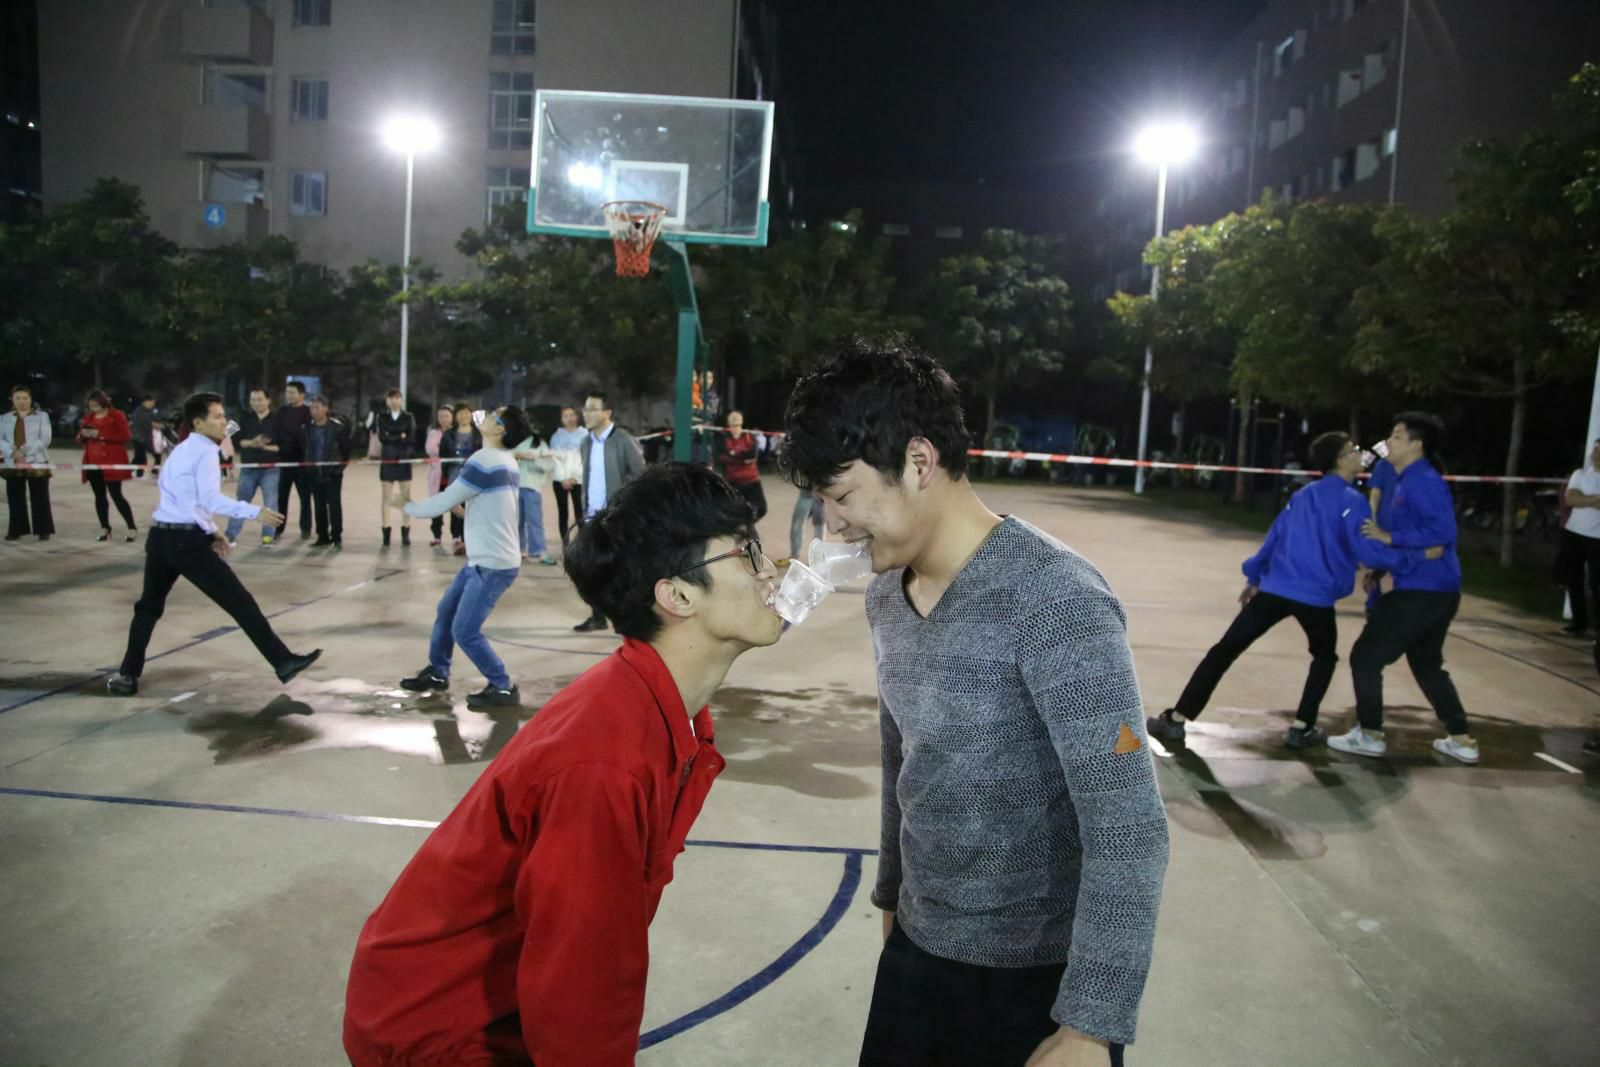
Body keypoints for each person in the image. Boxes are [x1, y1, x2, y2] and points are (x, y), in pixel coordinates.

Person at [779, 338, 1166, 1067]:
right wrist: (892, 898)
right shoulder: (887, 596)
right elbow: (903, 761)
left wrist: (1089, 1026)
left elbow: (1129, 825)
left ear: (919, 462)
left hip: (1037, 987)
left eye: (843, 496)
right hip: (917, 958)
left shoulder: (1057, 599)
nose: (834, 526)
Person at [344, 463, 780, 1065]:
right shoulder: (605, 761)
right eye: (746, 553)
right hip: (439, 1030)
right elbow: (583, 983)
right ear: (677, 595)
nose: (770, 570)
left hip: (485, 1012)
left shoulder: (657, 710)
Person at [1147, 432, 1445, 751]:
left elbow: (1275, 538)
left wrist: (1255, 576)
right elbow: (1369, 553)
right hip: (1316, 599)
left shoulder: (1303, 495)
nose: (1360, 454)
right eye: (1353, 450)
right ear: (1340, 460)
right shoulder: (1353, 502)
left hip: (1276, 589)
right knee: (1324, 657)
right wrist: (1416, 557)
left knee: (1225, 650)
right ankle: (1302, 726)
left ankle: (1177, 719)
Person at [105, 392, 321, 696]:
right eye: (218, 417)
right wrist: (253, 512)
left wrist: (210, 532)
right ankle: (283, 661)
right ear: (198, 423)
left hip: (161, 539)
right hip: (186, 543)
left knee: (148, 608)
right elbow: (209, 500)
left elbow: (183, 499)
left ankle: (127, 676)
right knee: (240, 603)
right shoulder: (205, 451)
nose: (224, 422)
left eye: (224, 416)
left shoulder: (181, 450)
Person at [1330, 412, 1480, 764]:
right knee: (1426, 664)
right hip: (1433, 588)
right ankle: (1462, 739)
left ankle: (1370, 734)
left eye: (1397, 436)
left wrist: (1389, 537)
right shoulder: (1402, 478)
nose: (1389, 441)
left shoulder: (1423, 481)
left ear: (1417, 445)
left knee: (1366, 656)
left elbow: (1443, 532)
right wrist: (1382, 566)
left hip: (1423, 590)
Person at [399, 406, 531, 707]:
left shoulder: (485, 460)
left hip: (493, 564)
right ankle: (438, 672)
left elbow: (440, 503)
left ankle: (502, 686)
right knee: (446, 611)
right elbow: (489, 503)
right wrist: (465, 507)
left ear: (500, 429)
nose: (485, 416)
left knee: (464, 630)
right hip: (482, 560)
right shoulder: (505, 460)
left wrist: (405, 505)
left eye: (494, 415)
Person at [574, 390, 645, 632]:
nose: (586, 413)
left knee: (622, 571)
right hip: (590, 517)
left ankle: (630, 619)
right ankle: (597, 617)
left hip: (618, 518)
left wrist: (628, 508)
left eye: (593, 408)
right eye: (585, 408)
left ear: (607, 412)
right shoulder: (585, 442)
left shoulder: (623, 440)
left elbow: (641, 476)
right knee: (590, 569)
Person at [76, 389, 138, 543]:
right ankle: (105, 528)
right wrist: (83, 435)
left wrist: (101, 435)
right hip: (92, 462)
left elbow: (125, 436)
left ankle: (131, 527)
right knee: (99, 496)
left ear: (104, 403)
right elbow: (80, 439)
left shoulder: (117, 415)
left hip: (111, 462)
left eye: (96, 405)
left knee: (116, 495)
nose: (94, 409)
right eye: (91, 406)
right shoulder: (88, 418)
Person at [225, 387, 282, 548]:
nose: (256, 403)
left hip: (270, 469)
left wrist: (264, 446)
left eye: (259, 399)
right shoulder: (244, 419)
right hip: (248, 468)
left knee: (270, 504)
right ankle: (230, 535)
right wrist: (252, 442)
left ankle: (267, 537)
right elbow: (236, 440)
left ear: (268, 401)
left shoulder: (277, 420)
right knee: (241, 502)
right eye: (253, 400)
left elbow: (282, 446)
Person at [1, 384, 56, 542]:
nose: (22, 401)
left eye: (25, 398)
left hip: (36, 461)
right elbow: (1, 439)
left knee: (40, 497)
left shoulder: (42, 416)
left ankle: (43, 530)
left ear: (30, 399)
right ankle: (16, 530)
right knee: (15, 497)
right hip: (13, 461)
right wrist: (12, 452)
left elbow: (45, 439)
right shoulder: (4, 418)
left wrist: (24, 451)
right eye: (18, 398)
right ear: (12, 399)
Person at [1559, 439, 1600, 634]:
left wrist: (1584, 499)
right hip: (1573, 533)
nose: (1596, 453)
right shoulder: (1580, 474)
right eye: (1595, 449)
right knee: (1573, 580)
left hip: (1597, 538)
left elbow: (1578, 499)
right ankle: (1579, 623)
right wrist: (1595, 499)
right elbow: (1570, 499)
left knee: (1596, 583)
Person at [303, 395, 351, 548]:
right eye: (312, 408)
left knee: (334, 505)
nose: (314, 411)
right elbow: (305, 448)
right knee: (319, 505)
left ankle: (336, 536)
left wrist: (339, 467)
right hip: (314, 472)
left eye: (317, 407)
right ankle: (322, 536)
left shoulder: (337, 428)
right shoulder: (307, 428)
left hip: (332, 473)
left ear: (326, 408)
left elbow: (346, 449)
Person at [510, 424, 558, 565]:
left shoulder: (539, 444)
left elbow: (549, 465)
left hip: (531, 487)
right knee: (515, 521)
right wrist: (515, 457)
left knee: (535, 521)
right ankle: (517, 550)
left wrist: (533, 459)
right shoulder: (511, 442)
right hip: (513, 487)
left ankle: (539, 551)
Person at [375, 388, 416, 548]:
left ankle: (405, 532)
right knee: (386, 498)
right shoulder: (382, 417)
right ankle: (386, 532)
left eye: (397, 398)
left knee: (405, 498)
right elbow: (382, 437)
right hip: (388, 459)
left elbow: (411, 437)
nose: (394, 401)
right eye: (391, 398)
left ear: (401, 400)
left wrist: (392, 436)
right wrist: (400, 436)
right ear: (387, 401)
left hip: (404, 459)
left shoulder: (408, 417)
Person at [275, 380, 314, 540]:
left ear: (301, 395)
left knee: (305, 498)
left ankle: (306, 528)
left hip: (303, 463)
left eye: (292, 392)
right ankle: (278, 528)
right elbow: (277, 433)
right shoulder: (282, 412)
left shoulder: (308, 412)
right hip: (285, 461)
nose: (289, 395)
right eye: (287, 392)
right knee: (281, 498)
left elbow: (309, 436)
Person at [1363, 450, 1399, 615]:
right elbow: (1375, 494)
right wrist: (1372, 518)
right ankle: (1372, 603)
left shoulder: (1415, 468)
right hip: (1384, 524)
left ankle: (1401, 603)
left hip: (1405, 527)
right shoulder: (1383, 465)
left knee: (1403, 568)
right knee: (1376, 566)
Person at [716, 409, 768, 522]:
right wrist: (743, 458)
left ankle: (747, 523)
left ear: (741, 424)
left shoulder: (750, 437)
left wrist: (734, 455)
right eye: (733, 425)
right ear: (729, 425)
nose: (735, 428)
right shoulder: (723, 439)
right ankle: (744, 525)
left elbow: (753, 456)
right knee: (732, 510)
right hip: (733, 481)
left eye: (738, 425)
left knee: (762, 508)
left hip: (752, 480)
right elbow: (722, 458)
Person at [548, 405, 587, 545]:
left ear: (577, 416)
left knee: (580, 512)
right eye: (565, 416)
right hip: (560, 481)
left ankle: (582, 545)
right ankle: (566, 546)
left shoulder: (585, 435)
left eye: (572, 415)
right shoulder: (556, 437)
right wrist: (563, 479)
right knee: (563, 512)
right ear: (561, 419)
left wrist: (575, 478)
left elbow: (585, 458)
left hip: (579, 480)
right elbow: (554, 460)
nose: (569, 419)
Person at [447, 402, 481, 556]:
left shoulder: (479, 434)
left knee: (473, 508)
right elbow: (444, 456)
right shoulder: (449, 435)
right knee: (456, 509)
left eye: (466, 412)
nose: (463, 416)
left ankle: (471, 540)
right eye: (460, 413)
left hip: (474, 476)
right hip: (455, 476)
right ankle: (457, 538)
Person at [423, 405, 455, 546]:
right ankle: (437, 536)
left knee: (456, 508)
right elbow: (430, 449)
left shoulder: (456, 433)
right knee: (437, 508)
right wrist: (447, 450)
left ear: (452, 417)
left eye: (446, 416)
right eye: (441, 416)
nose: (443, 419)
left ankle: (456, 536)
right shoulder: (434, 433)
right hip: (438, 478)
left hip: (453, 476)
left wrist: (442, 449)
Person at [790, 489, 825, 560]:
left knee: (819, 526)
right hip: (806, 493)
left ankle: (817, 557)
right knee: (797, 523)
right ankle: (795, 553)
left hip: (820, 495)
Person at [129, 395, 159, 477]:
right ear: (146, 402)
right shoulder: (139, 412)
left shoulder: (149, 411)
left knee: (140, 457)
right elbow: (147, 423)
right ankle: (138, 474)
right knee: (141, 457)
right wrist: (154, 424)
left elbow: (155, 419)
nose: (152, 405)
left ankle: (130, 471)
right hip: (139, 438)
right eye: (151, 403)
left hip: (145, 438)